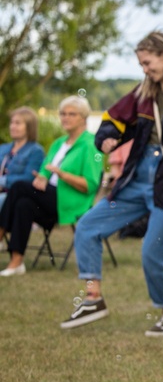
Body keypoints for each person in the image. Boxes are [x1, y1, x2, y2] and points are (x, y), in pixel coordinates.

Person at [61, 32, 163, 332]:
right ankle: (93, 298)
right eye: (140, 64)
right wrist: (106, 138)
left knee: (152, 252)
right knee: (87, 227)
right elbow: (112, 118)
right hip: (136, 178)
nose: (145, 69)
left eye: (148, 62)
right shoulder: (142, 93)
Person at [0, 96, 103, 277]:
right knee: (23, 204)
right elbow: (45, 172)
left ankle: (0, 234)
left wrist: (62, 175)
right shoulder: (58, 143)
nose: (65, 118)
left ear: (84, 117)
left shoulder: (90, 145)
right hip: (48, 201)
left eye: (72, 114)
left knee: (18, 186)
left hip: (70, 203)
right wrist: (41, 178)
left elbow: (91, 186)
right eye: (63, 114)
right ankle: (16, 262)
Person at [0, 107, 45, 213]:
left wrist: (2, 182)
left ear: (29, 127)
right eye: (12, 123)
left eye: (18, 123)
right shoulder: (3, 148)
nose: (13, 126)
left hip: (13, 195)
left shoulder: (36, 151)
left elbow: (28, 179)